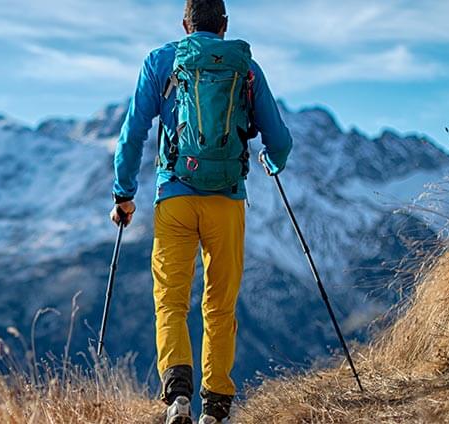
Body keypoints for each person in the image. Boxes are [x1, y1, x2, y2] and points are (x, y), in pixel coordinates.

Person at [108, 0, 293, 422]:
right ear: (224, 25)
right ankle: (216, 405)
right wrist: (272, 162)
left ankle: (177, 397)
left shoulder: (160, 61)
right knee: (220, 303)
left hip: (174, 196)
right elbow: (278, 138)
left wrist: (123, 193)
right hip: (226, 199)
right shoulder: (245, 68)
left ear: (184, 23)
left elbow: (133, 132)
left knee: (171, 299)